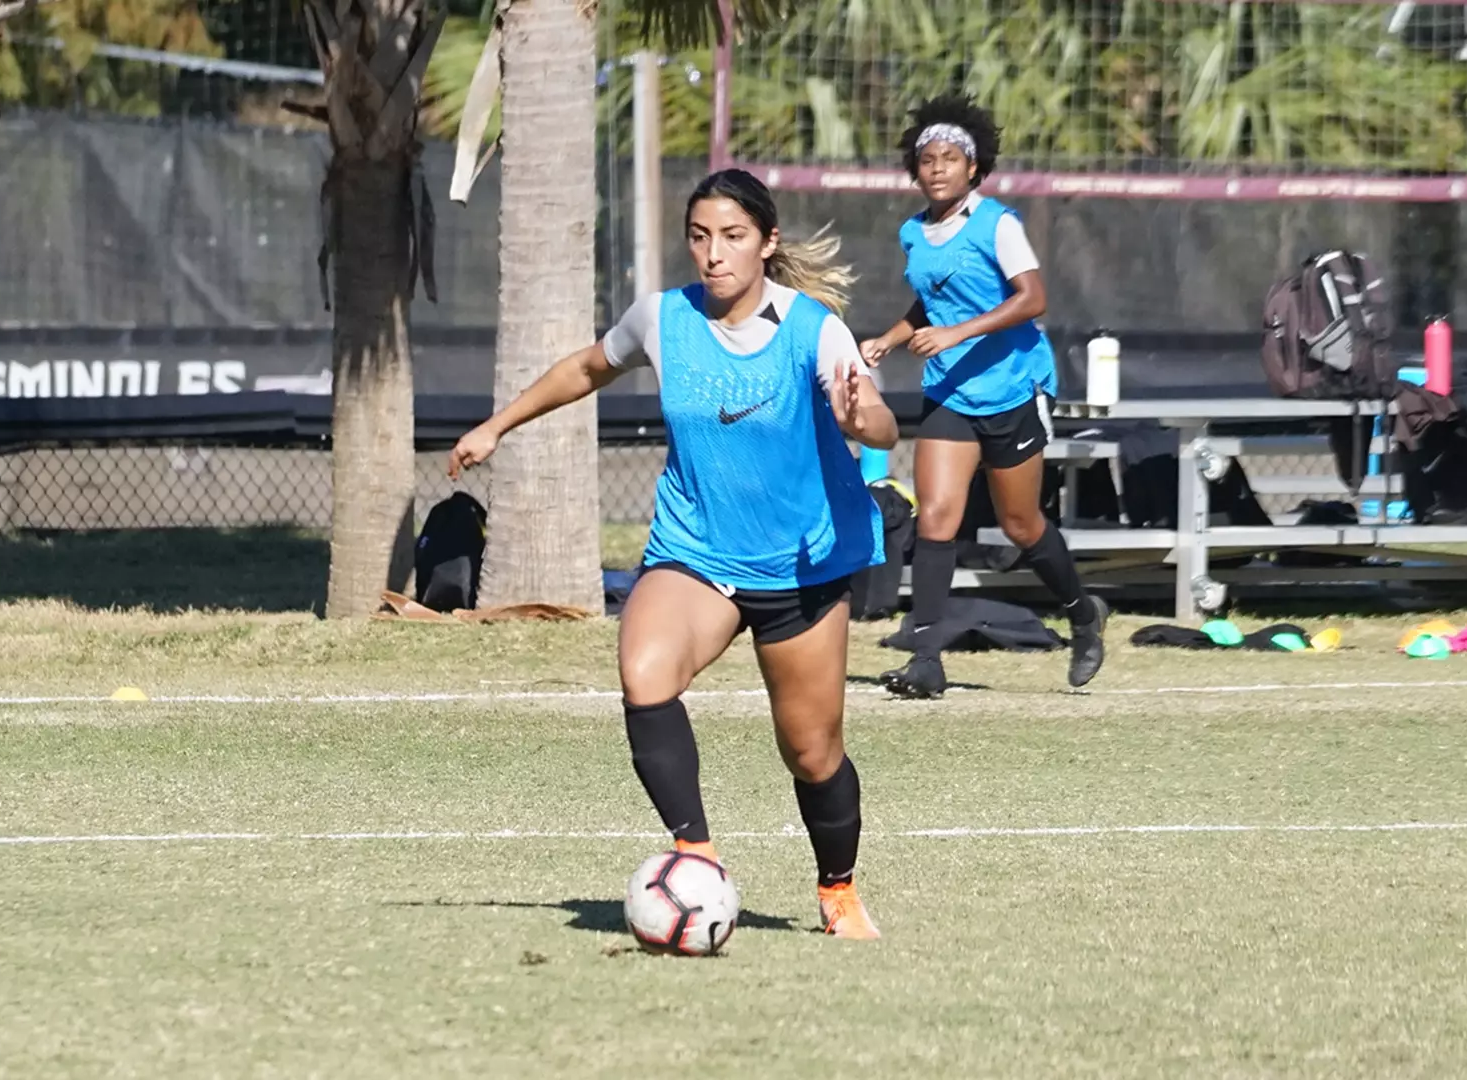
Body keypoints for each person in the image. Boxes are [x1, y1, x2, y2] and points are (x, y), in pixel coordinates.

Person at [448, 169, 897, 941]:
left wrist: (865, 421)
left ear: (767, 242)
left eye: (732, 237)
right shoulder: (662, 318)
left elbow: (882, 423)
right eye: (700, 237)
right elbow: (588, 367)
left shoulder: (810, 329)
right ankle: (697, 857)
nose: (713, 254)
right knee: (644, 671)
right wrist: (499, 424)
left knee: (812, 750)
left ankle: (838, 889)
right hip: (697, 550)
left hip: (803, 565)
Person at [858, 93, 1108, 700]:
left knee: (1021, 524)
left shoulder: (998, 224)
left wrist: (956, 334)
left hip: (1010, 388)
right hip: (949, 392)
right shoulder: (913, 232)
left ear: (974, 168)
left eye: (951, 157)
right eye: (927, 158)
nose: (937, 166)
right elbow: (931, 301)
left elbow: (1032, 299)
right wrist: (891, 338)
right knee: (937, 518)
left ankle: (1081, 614)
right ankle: (925, 657)